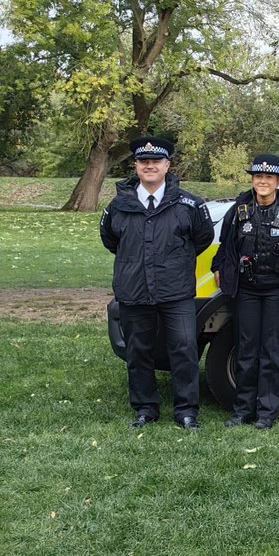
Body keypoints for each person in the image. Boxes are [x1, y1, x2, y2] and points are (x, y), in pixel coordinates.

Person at [100, 136, 214, 430]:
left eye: (155, 162)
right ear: (136, 166)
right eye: (143, 162)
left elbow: (202, 239)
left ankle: (187, 411)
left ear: (167, 165)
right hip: (134, 289)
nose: (149, 166)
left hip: (176, 291)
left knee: (184, 349)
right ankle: (145, 409)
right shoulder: (119, 205)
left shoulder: (189, 204)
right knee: (138, 351)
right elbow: (111, 240)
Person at [212, 154, 279, 429]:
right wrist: (219, 268)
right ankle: (242, 410)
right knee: (246, 352)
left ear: (278, 181)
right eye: (258, 177)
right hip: (246, 291)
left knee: (273, 352)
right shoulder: (239, 210)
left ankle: (267, 412)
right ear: (253, 180)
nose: (262, 182)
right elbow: (225, 245)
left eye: (268, 178)